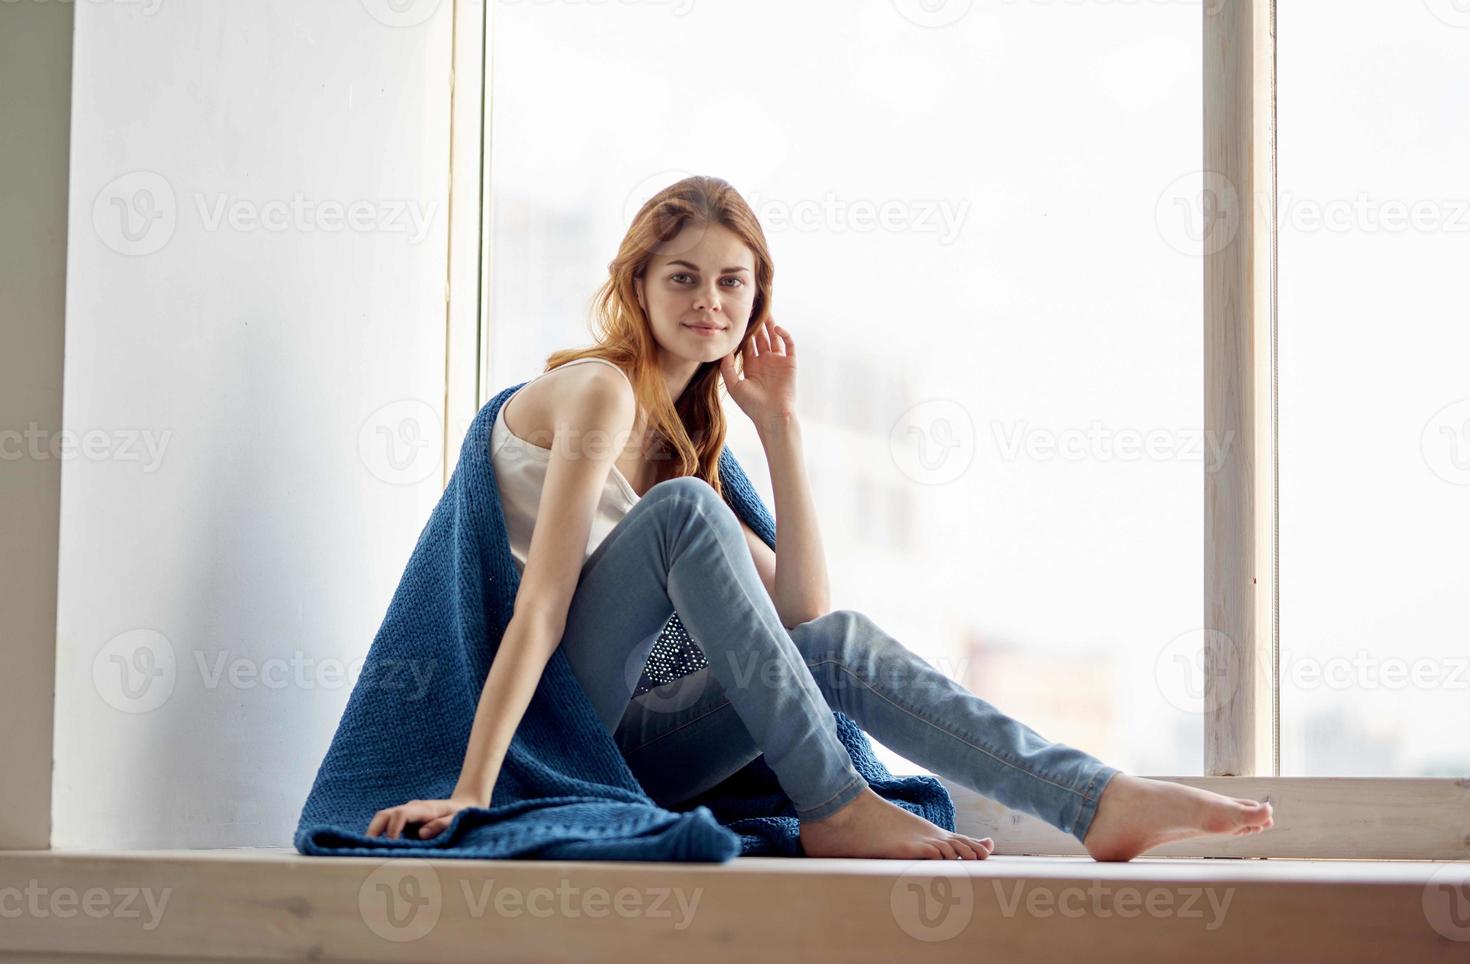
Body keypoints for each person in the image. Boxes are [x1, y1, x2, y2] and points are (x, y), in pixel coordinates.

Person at [366, 175, 1274, 859]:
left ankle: (1095, 800)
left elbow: (805, 619)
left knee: (836, 642)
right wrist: (474, 794)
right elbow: (540, 611)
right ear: (636, 285)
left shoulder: (688, 453)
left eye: (733, 282)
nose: (709, 303)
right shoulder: (599, 394)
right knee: (686, 513)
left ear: (758, 297)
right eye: (682, 278)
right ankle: (834, 803)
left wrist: (782, 427)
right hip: (553, 733)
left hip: (639, 751)